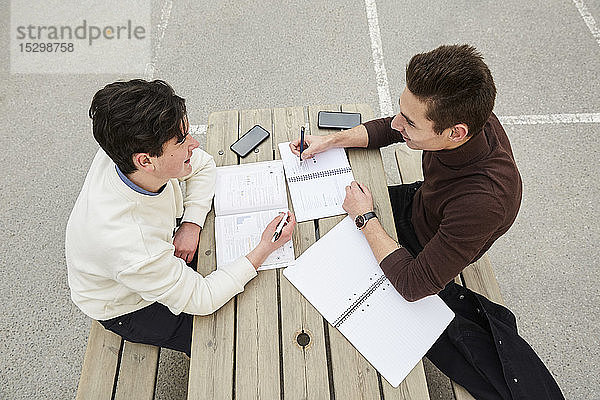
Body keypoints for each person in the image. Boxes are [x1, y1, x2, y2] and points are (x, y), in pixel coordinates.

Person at [290, 45, 563, 399]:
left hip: (429, 251)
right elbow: (391, 129)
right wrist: (331, 141)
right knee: (319, 223)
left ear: (456, 133)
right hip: (424, 205)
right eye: (403, 111)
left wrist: (366, 219)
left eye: (411, 122)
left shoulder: (483, 201)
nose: (397, 124)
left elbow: (413, 284)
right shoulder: (463, 116)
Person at [66, 79, 295, 357]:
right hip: (126, 305)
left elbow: (204, 164)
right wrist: (265, 247)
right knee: (220, 343)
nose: (194, 144)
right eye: (182, 140)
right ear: (145, 161)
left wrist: (191, 223)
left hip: (151, 252)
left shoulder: (126, 153)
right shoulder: (132, 245)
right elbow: (204, 298)